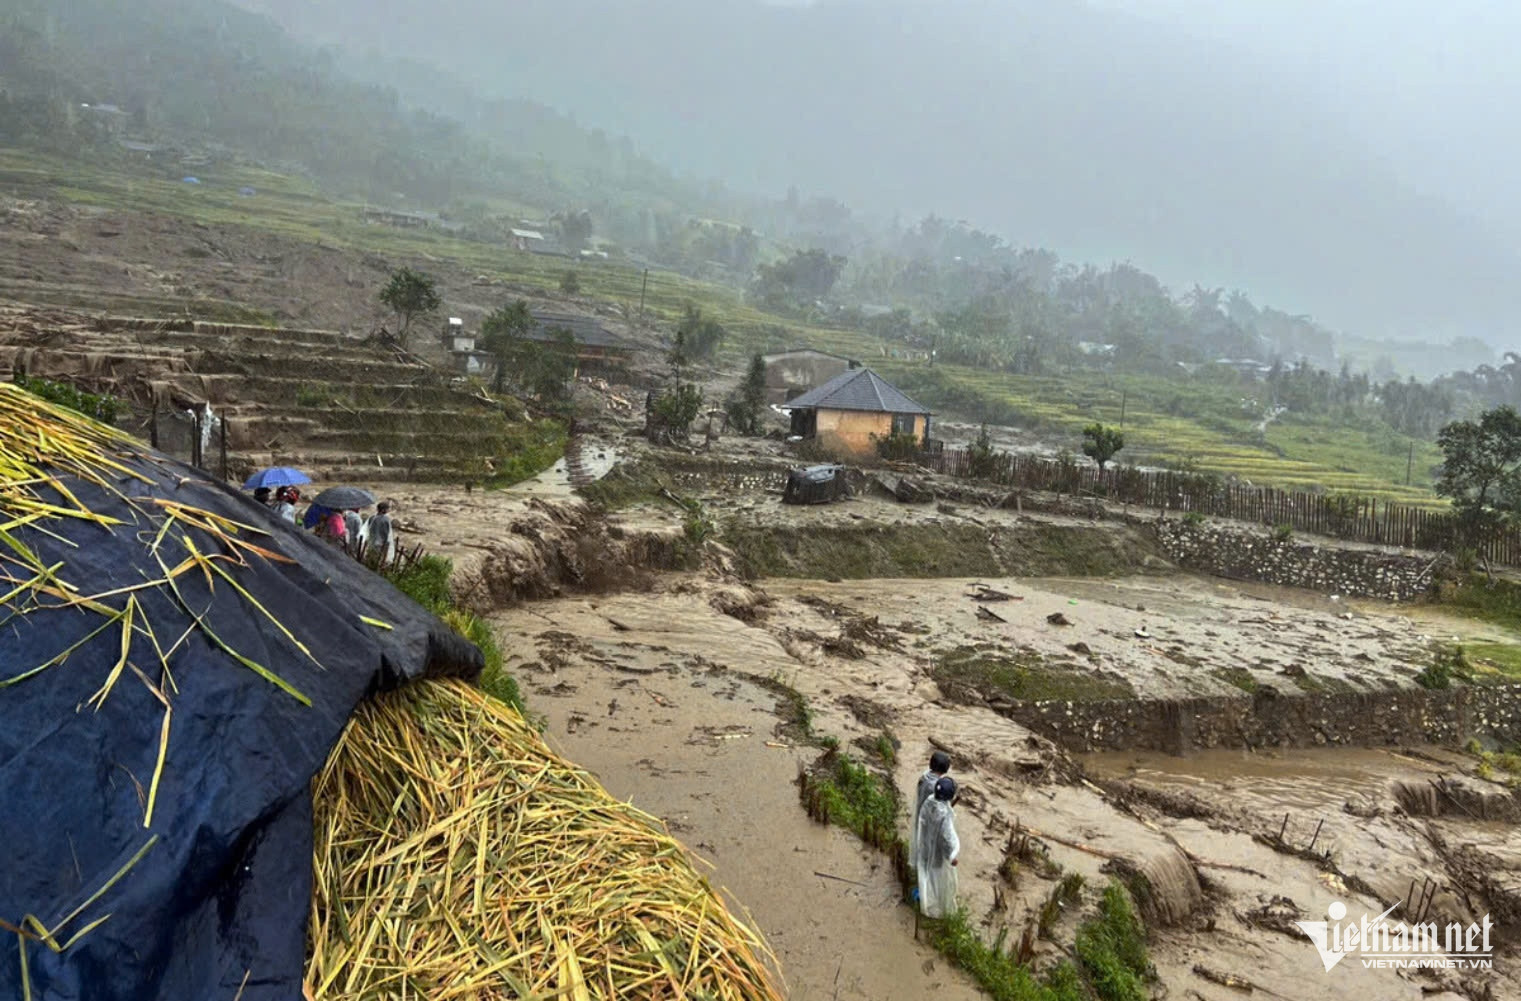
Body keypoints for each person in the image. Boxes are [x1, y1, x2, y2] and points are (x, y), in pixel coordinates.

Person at [915, 776, 960, 919]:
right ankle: (934, 904)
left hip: (924, 847)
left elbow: (922, 823)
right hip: (938, 854)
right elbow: (947, 838)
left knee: (925, 872)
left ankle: (923, 895)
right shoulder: (944, 814)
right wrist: (951, 856)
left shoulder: (929, 802)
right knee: (936, 878)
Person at [912, 751, 951, 859]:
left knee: (922, 841)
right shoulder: (936, 786)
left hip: (921, 815)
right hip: (930, 821)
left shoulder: (924, 778)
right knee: (931, 848)